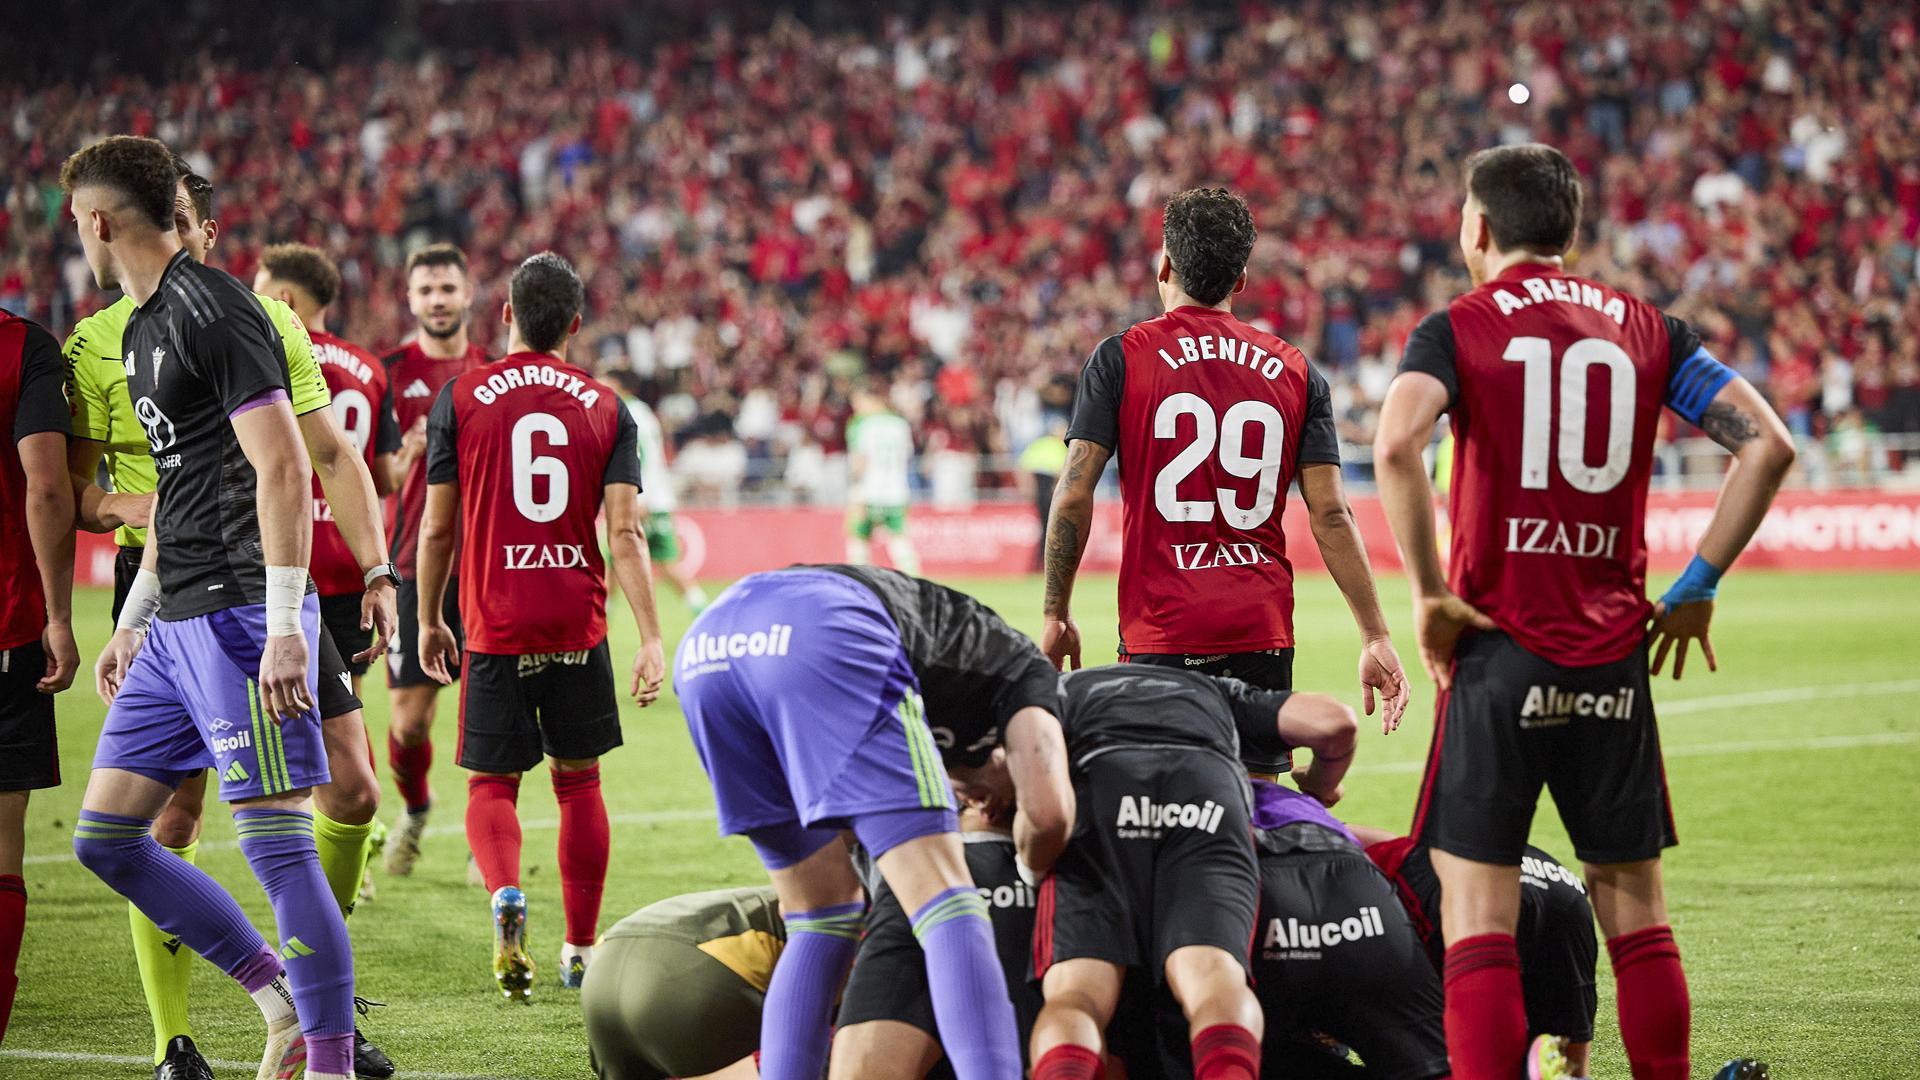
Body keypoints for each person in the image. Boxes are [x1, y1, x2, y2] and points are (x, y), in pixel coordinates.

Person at [1372, 143, 1795, 1080]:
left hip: (1496, 658)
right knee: (1637, 915)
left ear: (1478, 229)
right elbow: (1765, 445)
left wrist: (1430, 596)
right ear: (1571, 230)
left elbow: (1397, 442)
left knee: (1477, 917)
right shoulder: (1647, 328)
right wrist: (1697, 586)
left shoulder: (1460, 325)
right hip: (1611, 660)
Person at [66, 165, 397, 1080]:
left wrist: (289, 623)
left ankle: (328, 1062)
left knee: (277, 845)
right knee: (106, 838)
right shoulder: (138, 330)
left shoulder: (216, 310)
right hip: (175, 619)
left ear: (98, 220)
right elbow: (178, 490)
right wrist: (134, 617)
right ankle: (277, 999)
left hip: (241, 616)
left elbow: (286, 466)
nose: (74, 240)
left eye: (74, 223)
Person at [1041, 187, 1408, 776]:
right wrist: (1375, 635)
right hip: (1258, 628)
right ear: (1241, 280)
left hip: (1161, 632)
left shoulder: (1120, 358)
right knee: (1255, 810)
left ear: (1165, 265)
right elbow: (1331, 513)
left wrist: (1056, 611)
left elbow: (1074, 491)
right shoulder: (1295, 370)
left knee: (1160, 811)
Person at [675, 564, 1074, 1080]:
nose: (989, 807)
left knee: (821, 913)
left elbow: (840, 816)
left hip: (711, 644)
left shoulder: (951, 680)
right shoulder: (1027, 673)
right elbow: (1047, 814)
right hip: (820, 626)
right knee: (950, 903)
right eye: (1000, 800)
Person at [416, 252, 669, 999]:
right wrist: (651, 636)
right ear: (577, 325)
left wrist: (431, 616)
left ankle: (503, 894)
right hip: (575, 621)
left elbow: (437, 530)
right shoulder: (607, 407)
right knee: (578, 782)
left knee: (492, 784)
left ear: (505, 316)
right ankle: (582, 949)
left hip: (494, 622)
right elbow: (625, 533)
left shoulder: (461, 397)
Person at [1016, 664, 1358, 1080]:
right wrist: (1322, 787)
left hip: (1101, 787)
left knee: (1078, 993)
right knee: (1214, 979)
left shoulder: (1059, 689)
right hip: (1203, 793)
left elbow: (1008, 768)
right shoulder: (1214, 690)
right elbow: (1335, 723)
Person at [380, 242, 490, 877]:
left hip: (484, 568)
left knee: (488, 708)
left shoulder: (495, 371)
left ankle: (485, 833)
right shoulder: (389, 373)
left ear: (468, 292)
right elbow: (374, 475)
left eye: (448, 288)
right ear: (411, 299)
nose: (438, 300)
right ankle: (417, 809)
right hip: (412, 561)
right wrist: (408, 455)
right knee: (411, 720)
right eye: (426, 291)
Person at [255, 243, 404, 700]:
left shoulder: (263, 358)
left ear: (286, 300)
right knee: (343, 711)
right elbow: (382, 478)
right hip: (347, 560)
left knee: (269, 710)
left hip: (280, 555)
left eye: (258, 290)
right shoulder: (371, 370)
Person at [1246, 780, 1450, 1080]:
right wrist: (1323, 777)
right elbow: (1337, 732)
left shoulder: (1188, 798)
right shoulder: (1294, 805)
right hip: (1355, 886)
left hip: (1257, 894)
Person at [1358, 829, 1598, 1079]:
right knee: (1568, 1033)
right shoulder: (1362, 843)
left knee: (1445, 1042)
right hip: (1562, 888)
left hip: (1459, 892)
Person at [0, 308, 76, 1046]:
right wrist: (59, 615)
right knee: (2, 853)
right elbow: (48, 489)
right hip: (5, 630)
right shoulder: (24, 346)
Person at [604, 368, 709, 613]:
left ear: (620, 385)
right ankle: (702, 609)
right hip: (653, 499)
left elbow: (643, 457)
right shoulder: (641, 411)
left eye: (605, 381)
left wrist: (642, 497)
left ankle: (601, 621)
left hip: (643, 500)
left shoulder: (628, 412)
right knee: (623, 560)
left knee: (623, 558)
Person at [844, 386, 921, 575]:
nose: (856, 408)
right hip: (897, 491)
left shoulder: (860, 424)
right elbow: (907, 456)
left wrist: (855, 491)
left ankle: (860, 582)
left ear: (871, 400)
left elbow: (859, 461)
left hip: (869, 490)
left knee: (858, 538)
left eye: (858, 403)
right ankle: (915, 582)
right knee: (899, 539)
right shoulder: (900, 424)